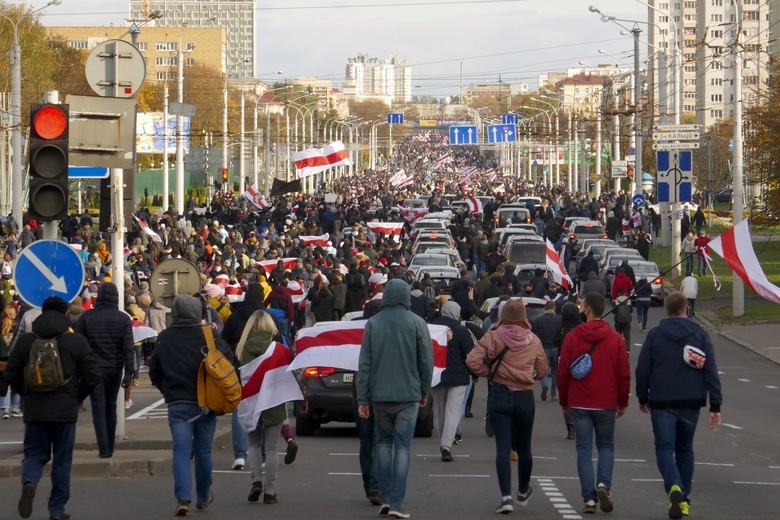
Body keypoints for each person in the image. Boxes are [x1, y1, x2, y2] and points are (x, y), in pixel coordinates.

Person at [4, 296, 101, 520]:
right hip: (65, 412)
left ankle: (29, 482)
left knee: (34, 454)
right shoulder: (75, 341)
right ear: (65, 314)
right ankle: (56, 509)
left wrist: (26, 394)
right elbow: (93, 375)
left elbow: (11, 373)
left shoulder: (27, 341)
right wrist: (76, 397)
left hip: (34, 410)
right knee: (62, 460)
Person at [635, 291, 722, 520]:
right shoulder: (701, 334)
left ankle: (673, 485)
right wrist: (716, 404)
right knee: (685, 449)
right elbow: (711, 370)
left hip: (662, 401)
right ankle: (684, 500)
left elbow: (643, 369)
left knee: (664, 448)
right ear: (687, 309)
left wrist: (642, 397)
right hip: (691, 400)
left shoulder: (655, 335)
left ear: (666, 311)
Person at [150, 295, 234, 516]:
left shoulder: (164, 337)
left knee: (181, 450)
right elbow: (229, 361)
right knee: (204, 451)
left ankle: (183, 498)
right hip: (206, 401)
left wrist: (168, 391)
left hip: (177, 403)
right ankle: (204, 496)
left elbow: (155, 372)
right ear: (197, 311)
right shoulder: (208, 335)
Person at [357, 279, 433, 519]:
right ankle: (398, 502)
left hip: (379, 395)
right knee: (402, 448)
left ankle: (385, 498)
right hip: (408, 394)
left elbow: (365, 364)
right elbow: (425, 361)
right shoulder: (418, 323)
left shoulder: (373, 323)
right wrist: (424, 390)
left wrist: (363, 398)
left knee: (382, 445)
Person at [465, 299, 547, 514]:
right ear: (523, 316)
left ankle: (506, 497)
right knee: (525, 447)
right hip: (524, 396)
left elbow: (472, 361)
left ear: (502, 315)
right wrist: (533, 376)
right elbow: (543, 369)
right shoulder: (533, 340)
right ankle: (522, 491)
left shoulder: (492, 336)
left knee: (503, 447)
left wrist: (489, 373)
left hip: (500, 393)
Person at [557, 293, 630, 515]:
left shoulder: (572, 337)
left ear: (587, 310)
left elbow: (563, 372)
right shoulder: (616, 338)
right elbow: (623, 374)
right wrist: (622, 401)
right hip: (605, 401)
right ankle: (603, 484)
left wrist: (564, 400)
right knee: (606, 446)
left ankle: (588, 498)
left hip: (579, 401)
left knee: (583, 450)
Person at [235, 310, 291, 505]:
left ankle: (256, 480)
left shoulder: (242, 348)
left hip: (251, 401)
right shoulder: (278, 349)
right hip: (273, 402)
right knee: (272, 447)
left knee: (254, 445)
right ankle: (270, 490)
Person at [73, 282, 134, 458]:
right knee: (111, 406)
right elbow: (127, 347)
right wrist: (129, 372)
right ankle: (111, 445)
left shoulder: (87, 317)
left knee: (98, 407)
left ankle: (103, 448)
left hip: (93, 368)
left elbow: (79, 345)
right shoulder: (123, 319)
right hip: (115, 368)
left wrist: (79, 369)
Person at [431, 301, 474, 462]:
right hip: (458, 376)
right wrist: (474, 373)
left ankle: (443, 442)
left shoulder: (432, 328)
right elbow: (469, 355)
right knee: (453, 412)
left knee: (440, 412)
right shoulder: (461, 330)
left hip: (437, 375)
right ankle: (446, 446)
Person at [531, 300, 562, 402]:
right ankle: (554, 394)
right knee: (555, 371)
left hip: (543, 347)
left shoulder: (538, 320)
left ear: (545, 308)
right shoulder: (558, 320)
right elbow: (560, 334)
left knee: (543, 369)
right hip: (555, 347)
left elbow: (535, 334)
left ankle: (544, 385)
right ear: (554, 308)